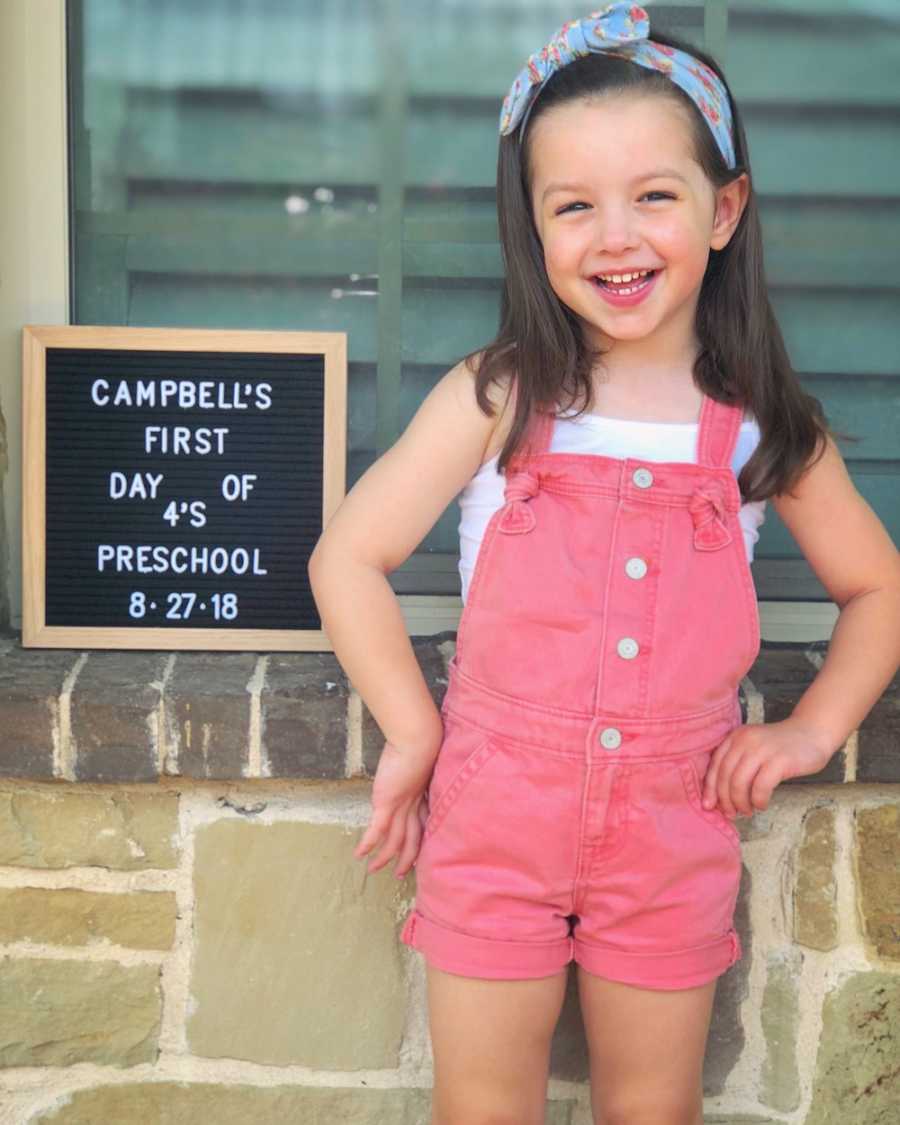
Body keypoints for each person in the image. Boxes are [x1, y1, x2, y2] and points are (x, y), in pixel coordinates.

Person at [307, 5, 900, 1122]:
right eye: (573, 206)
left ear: (724, 210)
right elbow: (349, 556)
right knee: (483, 1105)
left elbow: (879, 588)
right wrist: (416, 732)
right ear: (533, 232)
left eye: (655, 197)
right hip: (495, 816)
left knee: (651, 1105)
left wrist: (810, 730)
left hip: (671, 829)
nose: (614, 236)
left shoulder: (756, 426)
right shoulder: (500, 394)